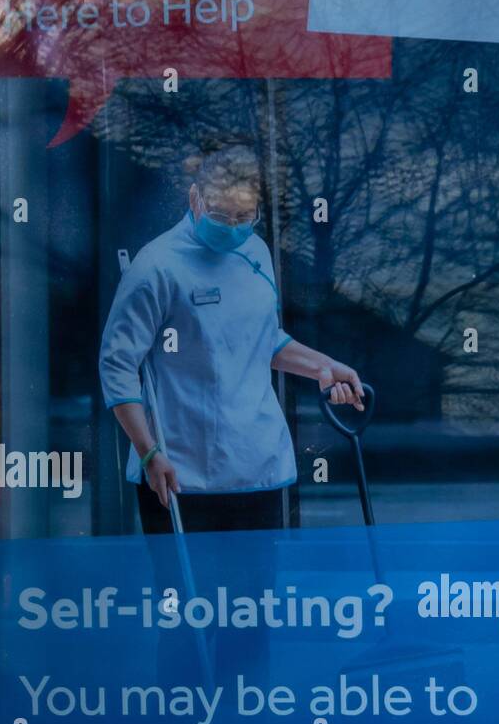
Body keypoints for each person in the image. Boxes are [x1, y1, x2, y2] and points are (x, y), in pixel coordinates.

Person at [99, 141, 364, 534]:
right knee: (188, 596)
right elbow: (117, 364)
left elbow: (260, 338)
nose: (234, 228)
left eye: (245, 216)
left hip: (257, 466)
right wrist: (148, 451)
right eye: (222, 215)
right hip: (178, 469)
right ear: (195, 199)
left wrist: (324, 366)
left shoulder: (255, 251)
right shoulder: (156, 267)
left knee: (253, 596)